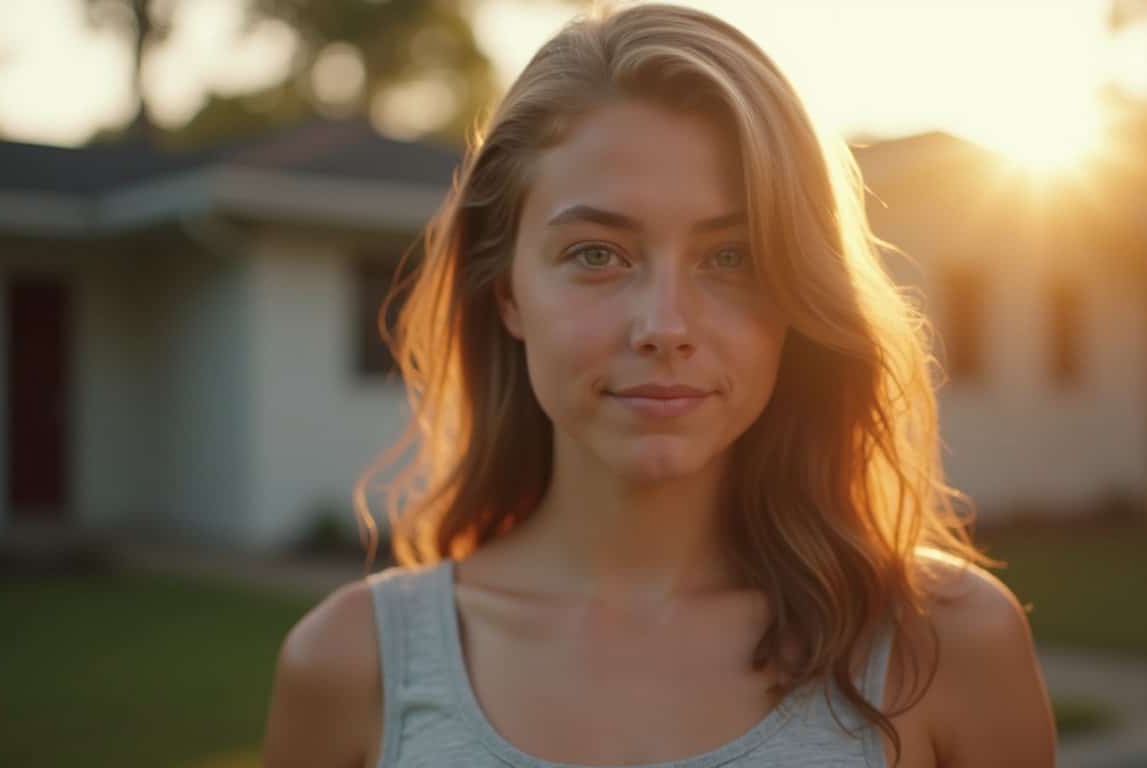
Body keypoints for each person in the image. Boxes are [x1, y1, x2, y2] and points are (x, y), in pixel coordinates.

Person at [262, 3, 1056, 767]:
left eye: (732, 257)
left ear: (798, 295)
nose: (665, 325)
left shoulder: (946, 643)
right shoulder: (352, 665)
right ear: (506, 292)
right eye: (596, 254)